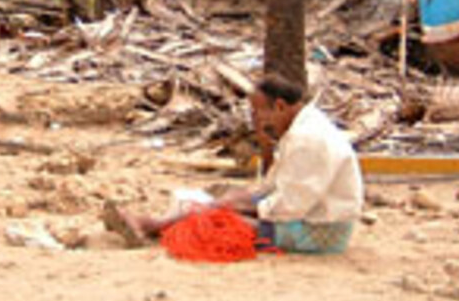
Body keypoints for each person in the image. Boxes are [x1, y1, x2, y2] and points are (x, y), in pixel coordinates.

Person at [102, 73, 365, 254]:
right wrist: (244, 197)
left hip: (320, 232)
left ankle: (150, 226)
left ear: (280, 106)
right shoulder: (302, 128)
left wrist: (244, 207)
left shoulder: (307, 138)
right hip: (304, 216)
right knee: (225, 204)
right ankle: (152, 225)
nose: (256, 119)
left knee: (222, 221)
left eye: (258, 111)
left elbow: (290, 207)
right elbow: (276, 184)